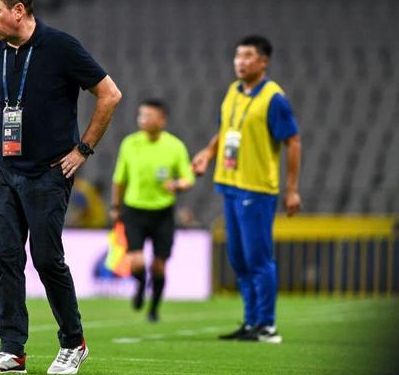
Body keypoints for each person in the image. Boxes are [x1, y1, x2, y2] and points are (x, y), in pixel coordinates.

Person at [0, 0, 121, 375]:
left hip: (48, 172)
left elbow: (110, 94)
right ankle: (12, 351)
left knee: (46, 258)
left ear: (18, 10)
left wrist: (83, 149)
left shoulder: (60, 47)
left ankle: (74, 342)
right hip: (5, 170)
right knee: (7, 257)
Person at [191, 35, 301, 343]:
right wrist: (208, 153)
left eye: (248, 56)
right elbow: (226, 131)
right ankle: (251, 321)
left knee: (258, 258)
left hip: (257, 188)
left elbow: (293, 141)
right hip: (230, 184)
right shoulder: (233, 92)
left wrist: (292, 189)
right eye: (238, 55)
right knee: (239, 258)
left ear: (264, 62)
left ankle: (267, 325)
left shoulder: (274, 99)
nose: (240, 61)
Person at [110, 99, 195, 322]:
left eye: (148, 116)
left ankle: (154, 309)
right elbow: (119, 179)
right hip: (134, 210)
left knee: (159, 266)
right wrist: (115, 206)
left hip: (163, 212)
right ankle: (140, 285)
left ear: (162, 120)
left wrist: (177, 185)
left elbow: (188, 178)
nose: (143, 120)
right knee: (136, 261)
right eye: (141, 115)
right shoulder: (130, 143)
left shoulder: (175, 146)